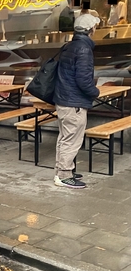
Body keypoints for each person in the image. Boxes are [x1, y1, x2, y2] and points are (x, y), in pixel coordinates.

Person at [53, 13, 101, 189]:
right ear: (90, 29)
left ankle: (62, 170)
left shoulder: (70, 46)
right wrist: (95, 92)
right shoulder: (84, 49)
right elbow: (83, 80)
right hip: (74, 102)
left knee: (65, 138)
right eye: (95, 26)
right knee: (71, 140)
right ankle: (64, 175)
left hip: (64, 99)